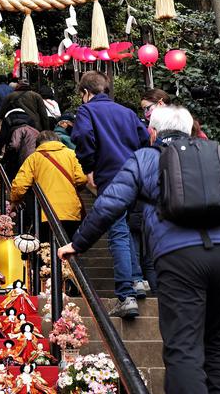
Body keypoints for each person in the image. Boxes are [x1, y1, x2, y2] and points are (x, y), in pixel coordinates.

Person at [59, 105, 220, 394]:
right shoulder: (216, 155)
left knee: (183, 344)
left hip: (179, 256)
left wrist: (78, 243)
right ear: (190, 128)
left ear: (152, 132)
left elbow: (110, 204)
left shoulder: (146, 158)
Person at [71, 71, 150, 318]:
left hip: (110, 177)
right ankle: (137, 279)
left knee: (116, 231)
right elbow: (145, 138)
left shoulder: (87, 111)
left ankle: (126, 295)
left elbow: (83, 136)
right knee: (125, 227)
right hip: (134, 176)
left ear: (85, 92)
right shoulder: (127, 112)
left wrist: (89, 167)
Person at [10, 130, 87, 241]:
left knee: (48, 248)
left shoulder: (34, 158)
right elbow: (82, 178)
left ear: (39, 143)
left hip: (46, 212)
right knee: (69, 245)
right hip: (71, 210)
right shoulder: (71, 154)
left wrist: (15, 199)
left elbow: (20, 185)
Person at [0, 108, 38, 181]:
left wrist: (4, 159)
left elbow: (13, 146)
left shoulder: (17, 130)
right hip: (35, 159)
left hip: (22, 160)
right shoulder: (34, 130)